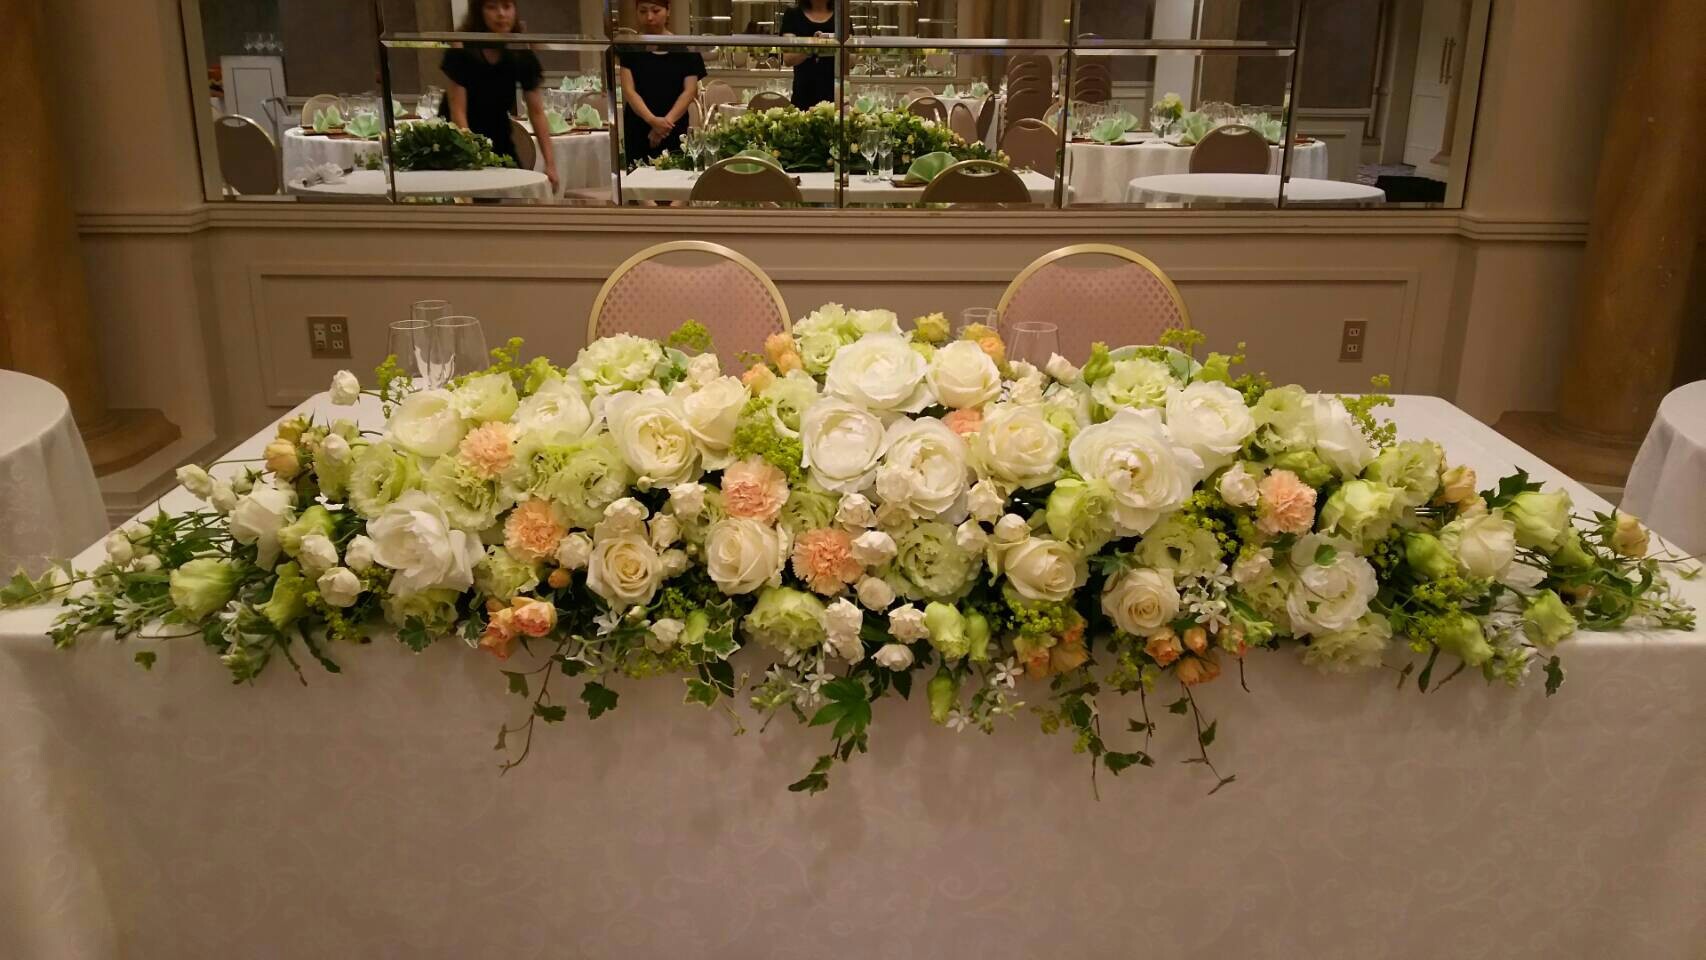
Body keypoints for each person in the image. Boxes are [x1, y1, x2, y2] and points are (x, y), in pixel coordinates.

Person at [440, 0, 558, 191]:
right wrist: (473, 156)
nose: (501, 14)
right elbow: (457, 113)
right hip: (460, 139)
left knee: (514, 192)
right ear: (479, 12)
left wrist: (550, 164)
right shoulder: (462, 48)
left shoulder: (520, 51)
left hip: (499, 135)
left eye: (507, 6)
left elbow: (537, 112)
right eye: (492, 7)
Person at [618, 0, 705, 166]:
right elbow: (629, 91)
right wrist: (652, 120)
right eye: (643, 11)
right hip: (639, 126)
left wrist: (663, 126)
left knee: (675, 173)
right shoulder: (629, 48)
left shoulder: (685, 49)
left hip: (674, 127)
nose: (649, 17)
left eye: (655, 11)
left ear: (668, 10)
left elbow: (689, 92)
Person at [779, 0, 834, 109]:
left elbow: (851, 60)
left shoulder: (841, 15)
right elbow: (788, 58)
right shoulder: (793, 14)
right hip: (803, 95)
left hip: (835, 95)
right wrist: (814, 46)